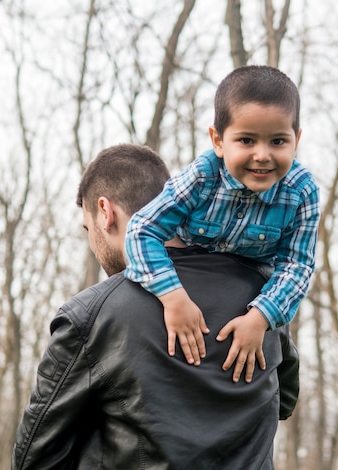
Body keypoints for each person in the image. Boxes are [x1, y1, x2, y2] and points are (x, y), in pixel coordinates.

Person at [11, 143, 299, 470]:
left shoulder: (91, 317)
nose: (93, 246)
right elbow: (283, 399)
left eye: (88, 230)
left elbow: (36, 459)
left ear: (106, 213)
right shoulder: (262, 295)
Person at [124, 65, 320, 382]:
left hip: (252, 283)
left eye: (278, 142)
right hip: (191, 269)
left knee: (280, 355)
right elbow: (142, 230)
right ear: (218, 140)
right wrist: (173, 298)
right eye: (246, 140)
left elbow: (297, 267)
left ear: (296, 140)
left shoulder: (301, 192)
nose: (262, 155)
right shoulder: (203, 176)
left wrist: (259, 318)